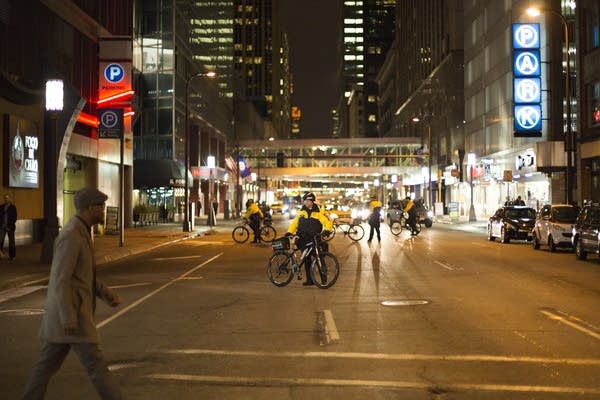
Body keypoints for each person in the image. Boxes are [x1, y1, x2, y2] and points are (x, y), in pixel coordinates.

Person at [22, 188, 123, 400]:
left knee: (45, 368)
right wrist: (68, 317)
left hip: (67, 318)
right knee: (97, 366)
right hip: (72, 318)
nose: (104, 211)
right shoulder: (71, 235)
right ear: (90, 208)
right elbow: (61, 279)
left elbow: (83, 275)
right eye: (101, 207)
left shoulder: (82, 231)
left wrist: (106, 294)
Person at [286, 192, 333, 286]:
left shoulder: (318, 212)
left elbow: (326, 222)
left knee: (319, 257)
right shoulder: (301, 212)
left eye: (308, 200)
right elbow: (295, 223)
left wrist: (328, 230)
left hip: (315, 238)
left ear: (312, 201)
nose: (306, 202)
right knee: (307, 260)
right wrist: (289, 232)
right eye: (305, 201)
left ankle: (324, 279)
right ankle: (310, 280)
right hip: (304, 239)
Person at [0, 193, 17, 260]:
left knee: (12, 242)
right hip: (2, 227)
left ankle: (12, 256)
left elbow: (14, 218)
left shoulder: (13, 207)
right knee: (1, 241)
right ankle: (0, 255)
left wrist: (9, 226)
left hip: (10, 227)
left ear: (10, 198)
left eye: (7, 198)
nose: (6, 199)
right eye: (5, 198)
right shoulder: (1, 207)